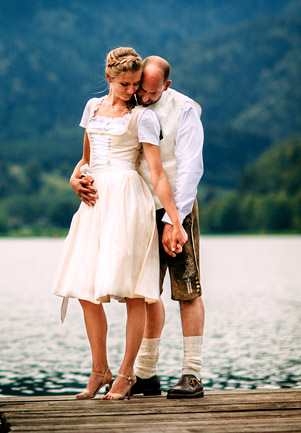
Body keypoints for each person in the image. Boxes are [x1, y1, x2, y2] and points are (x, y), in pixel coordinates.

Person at [52, 47, 188, 401]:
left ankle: (126, 375)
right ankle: (100, 369)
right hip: (94, 201)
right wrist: (73, 180)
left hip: (128, 200)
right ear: (109, 79)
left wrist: (176, 219)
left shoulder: (143, 117)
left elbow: (157, 173)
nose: (131, 91)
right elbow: (85, 159)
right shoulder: (91, 107)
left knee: (133, 292)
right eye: (125, 84)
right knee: (84, 289)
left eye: (135, 84)